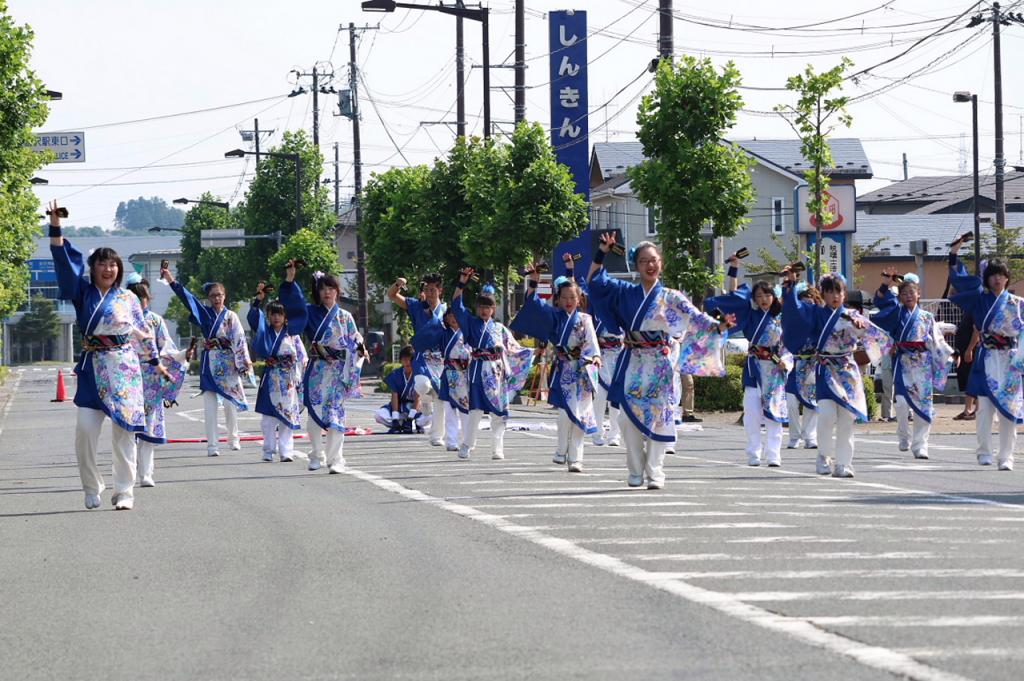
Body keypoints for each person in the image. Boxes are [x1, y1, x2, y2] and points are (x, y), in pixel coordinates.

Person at [587, 234, 732, 489]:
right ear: (636, 265)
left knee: (660, 417)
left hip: (660, 365)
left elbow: (696, 317)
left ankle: (655, 472)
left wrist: (718, 326)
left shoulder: (672, 297)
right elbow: (595, 282)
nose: (650, 265)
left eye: (653, 260)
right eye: (643, 261)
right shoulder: (624, 292)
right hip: (633, 361)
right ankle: (635, 469)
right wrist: (601, 252)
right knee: (626, 419)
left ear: (661, 263)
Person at [49, 201, 151, 510]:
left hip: (124, 371)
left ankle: (125, 491)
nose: (108, 269)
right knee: (85, 432)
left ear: (119, 269)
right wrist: (56, 227)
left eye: (113, 264)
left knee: (124, 433)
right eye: (102, 264)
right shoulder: (82, 293)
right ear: (92, 268)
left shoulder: (128, 298)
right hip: (93, 369)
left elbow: (144, 333)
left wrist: (156, 364)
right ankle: (92, 485)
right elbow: (63, 264)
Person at [782, 269, 891, 478]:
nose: (835, 296)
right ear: (823, 294)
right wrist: (791, 284)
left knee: (847, 418)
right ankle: (823, 456)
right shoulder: (815, 313)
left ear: (844, 294)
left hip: (848, 370)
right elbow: (794, 311)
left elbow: (874, 335)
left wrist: (860, 328)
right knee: (827, 415)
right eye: (830, 292)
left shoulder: (852, 316)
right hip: (825, 368)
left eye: (839, 292)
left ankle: (843, 463)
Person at [513, 266, 601, 472]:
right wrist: (534, 281)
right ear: (558, 300)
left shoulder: (585, 319)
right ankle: (561, 450)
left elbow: (592, 342)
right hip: (563, 371)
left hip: (583, 370)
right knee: (564, 415)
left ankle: (576, 458)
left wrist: (596, 356)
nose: (569, 301)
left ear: (579, 299)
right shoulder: (554, 316)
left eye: (572, 297)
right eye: (564, 297)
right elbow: (533, 303)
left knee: (581, 416)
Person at [707, 255, 792, 467]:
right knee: (752, 412)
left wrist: (786, 361)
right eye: (759, 296)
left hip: (775, 369)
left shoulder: (782, 318)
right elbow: (734, 298)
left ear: (774, 296)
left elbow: (789, 345)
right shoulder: (750, 315)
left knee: (774, 413)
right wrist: (734, 268)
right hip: (754, 367)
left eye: (767, 295)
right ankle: (754, 452)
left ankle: (773, 454)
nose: (764, 299)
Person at [948, 238, 1024, 470]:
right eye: (993, 275)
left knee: (1009, 411)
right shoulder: (979, 298)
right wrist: (954, 255)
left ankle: (1006, 456)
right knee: (984, 409)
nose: (997, 279)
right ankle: (984, 451)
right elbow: (959, 282)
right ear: (986, 278)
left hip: (1010, 360)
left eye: (1001, 275)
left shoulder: (1018, 303)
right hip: (987, 357)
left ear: (1007, 277)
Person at [280, 266, 364, 473]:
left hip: (338, 372)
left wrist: (361, 348)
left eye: (331, 288)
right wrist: (290, 281)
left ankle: (336, 459)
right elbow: (293, 308)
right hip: (317, 370)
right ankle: (317, 454)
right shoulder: (310, 312)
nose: (327, 292)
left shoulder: (345, 316)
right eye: (323, 288)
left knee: (336, 415)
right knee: (314, 414)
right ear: (317, 292)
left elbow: (355, 339)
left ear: (337, 291)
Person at [163, 267, 251, 457]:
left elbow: (240, 340)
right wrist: (171, 280)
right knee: (210, 406)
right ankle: (212, 445)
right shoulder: (204, 313)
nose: (216, 298)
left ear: (224, 296)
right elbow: (187, 298)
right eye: (213, 295)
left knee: (230, 403)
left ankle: (233, 438)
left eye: (219, 295)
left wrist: (243, 364)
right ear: (209, 298)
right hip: (210, 364)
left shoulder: (231, 316)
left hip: (228, 364)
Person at [872, 269, 954, 460]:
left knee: (923, 405)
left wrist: (950, 354)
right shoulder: (896, 312)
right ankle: (903, 434)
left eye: (912, 292)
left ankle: (921, 445)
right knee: (901, 403)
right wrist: (885, 284)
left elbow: (937, 340)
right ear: (900, 296)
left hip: (922, 364)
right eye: (904, 293)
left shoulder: (926, 316)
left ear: (919, 294)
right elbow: (880, 303)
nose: (909, 296)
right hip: (903, 362)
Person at [451, 271, 533, 460]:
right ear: (476, 308)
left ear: (494, 309)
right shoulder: (470, 323)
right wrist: (461, 283)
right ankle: (467, 444)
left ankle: (498, 448)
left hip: (496, 372)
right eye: (481, 307)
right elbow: (456, 305)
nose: (484, 310)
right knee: (475, 411)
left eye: (488, 307)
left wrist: (532, 351)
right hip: (478, 370)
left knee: (499, 412)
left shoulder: (499, 329)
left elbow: (514, 348)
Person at [126, 273, 187, 487]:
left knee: (149, 427)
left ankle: (146, 473)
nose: (140, 300)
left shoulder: (155, 320)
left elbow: (167, 349)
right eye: (135, 296)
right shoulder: (122, 321)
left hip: (152, 380)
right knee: (127, 429)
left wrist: (182, 356)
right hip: (127, 378)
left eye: (143, 295)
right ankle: (128, 474)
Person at [565, 254, 623, 446]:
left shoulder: (622, 306)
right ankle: (597, 433)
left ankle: (615, 434)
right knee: (599, 396)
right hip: (600, 355)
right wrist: (570, 269)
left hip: (619, 355)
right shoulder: (593, 307)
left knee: (616, 398)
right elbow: (574, 293)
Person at [387, 273, 448, 446]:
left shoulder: (446, 311)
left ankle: (437, 436)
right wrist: (398, 284)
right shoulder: (416, 306)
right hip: (422, 357)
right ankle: (425, 399)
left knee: (441, 400)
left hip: (441, 358)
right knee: (422, 385)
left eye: (433, 290)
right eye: (427, 289)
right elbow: (392, 296)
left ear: (440, 290)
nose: (429, 293)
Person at [248, 282, 306, 463]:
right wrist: (258, 300)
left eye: (279, 314)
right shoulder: (264, 332)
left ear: (285, 316)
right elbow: (253, 319)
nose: (276, 317)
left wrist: (300, 375)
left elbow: (302, 356)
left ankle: (286, 451)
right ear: (268, 316)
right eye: (273, 314)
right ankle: (268, 450)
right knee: (268, 418)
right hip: (271, 378)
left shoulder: (293, 334)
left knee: (287, 416)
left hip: (288, 379)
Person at [784, 284, 821, 450]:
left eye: (810, 302)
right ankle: (794, 436)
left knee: (811, 402)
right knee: (791, 402)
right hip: (794, 364)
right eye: (803, 303)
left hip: (812, 365)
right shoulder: (792, 324)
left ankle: (810, 436)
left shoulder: (819, 321)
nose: (807, 306)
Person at [438, 308, 470, 451]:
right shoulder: (443, 334)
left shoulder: (468, 333)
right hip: (449, 374)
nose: (453, 319)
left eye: (456, 315)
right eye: (450, 316)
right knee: (449, 410)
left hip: (464, 374)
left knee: (465, 410)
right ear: (446, 318)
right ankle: (451, 441)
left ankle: (467, 441)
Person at [375, 345, 425, 433]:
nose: (408, 362)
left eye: (410, 360)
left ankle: (415, 424)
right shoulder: (396, 374)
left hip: (416, 408)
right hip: (400, 407)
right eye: (405, 359)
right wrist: (395, 418)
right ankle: (399, 425)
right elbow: (394, 396)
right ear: (401, 360)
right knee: (379, 415)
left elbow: (418, 398)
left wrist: (410, 418)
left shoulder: (420, 374)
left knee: (430, 416)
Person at [952, 312, 978, 421]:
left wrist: (969, 349)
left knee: (974, 380)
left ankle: (978, 410)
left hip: (971, 351)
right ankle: (967, 409)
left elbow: (977, 332)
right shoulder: (968, 311)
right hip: (963, 350)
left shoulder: (976, 310)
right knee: (967, 380)